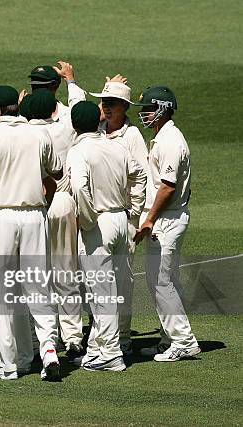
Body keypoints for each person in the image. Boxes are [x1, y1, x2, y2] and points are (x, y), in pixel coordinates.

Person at [0, 86, 63, 381]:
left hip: (1, 217)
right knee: (38, 286)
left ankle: (9, 365)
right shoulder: (39, 134)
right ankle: (47, 350)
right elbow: (57, 173)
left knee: (2, 292)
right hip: (35, 214)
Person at [66, 101, 146, 371]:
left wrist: (87, 220)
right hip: (120, 220)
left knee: (101, 292)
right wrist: (133, 211)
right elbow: (140, 175)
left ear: (75, 125)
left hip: (98, 223)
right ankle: (99, 348)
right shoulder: (117, 146)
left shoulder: (78, 151)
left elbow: (78, 186)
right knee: (114, 288)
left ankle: (110, 353)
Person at [133, 86, 201, 362]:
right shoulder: (163, 137)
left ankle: (184, 341)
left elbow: (167, 187)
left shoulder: (171, 141)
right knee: (165, 280)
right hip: (168, 217)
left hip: (167, 219)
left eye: (149, 109)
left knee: (161, 281)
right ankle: (168, 339)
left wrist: (149, 219)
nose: (145, 114)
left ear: (162, 108)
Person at [87, 76, 149, 356]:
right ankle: (99, 335)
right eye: (103, 102)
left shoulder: (132, 136)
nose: (106, 108)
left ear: (124, 107)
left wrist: (135, 215)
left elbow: (142, 178)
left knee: (121, 280)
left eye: (112, 103)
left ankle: (122, 338)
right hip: (95, 216)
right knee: (95, 279)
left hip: (123, 218)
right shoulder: (96, 130)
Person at [23, 89, 84, 360]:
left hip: (33, 206)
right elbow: (83, 112)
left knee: (35, 274)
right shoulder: (66, 125)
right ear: (51, 110)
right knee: (65, 270)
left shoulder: (22, 132)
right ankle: (72, 336)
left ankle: (40, 338)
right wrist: (72, 84)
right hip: (61, 201)